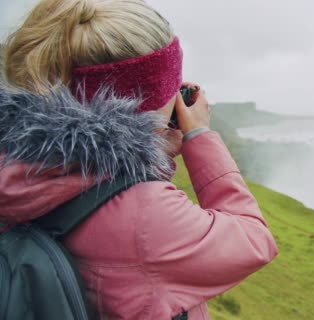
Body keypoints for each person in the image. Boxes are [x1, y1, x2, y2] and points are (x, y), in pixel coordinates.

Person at [0, 0, 278, 319]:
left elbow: (103, 201)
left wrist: (152, 154)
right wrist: (199, 135)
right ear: (154, 100)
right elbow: (254, 239)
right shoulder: (147, 219)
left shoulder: (19, 169)